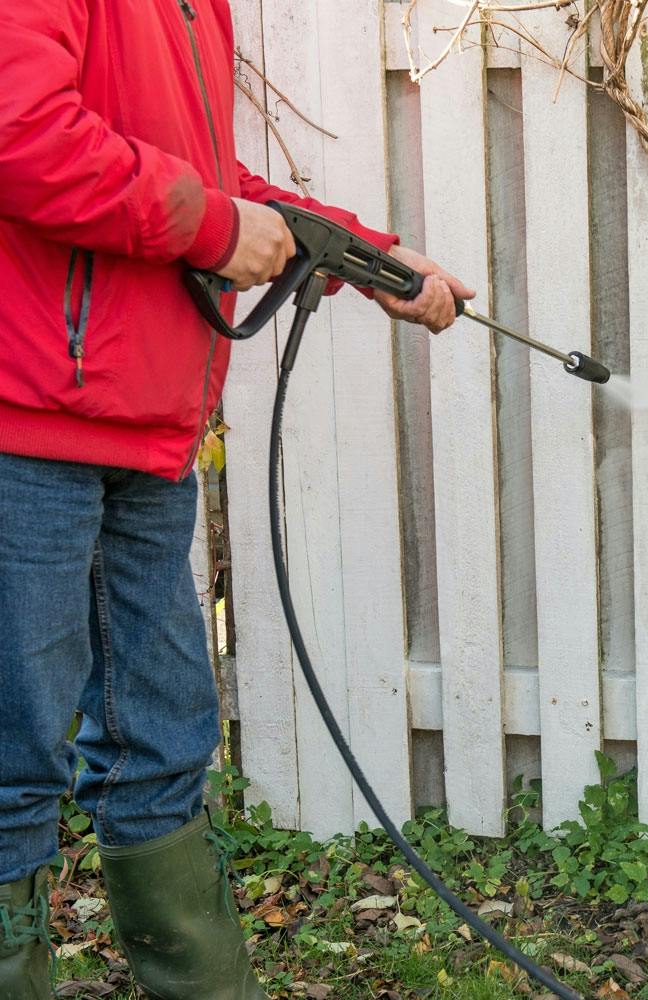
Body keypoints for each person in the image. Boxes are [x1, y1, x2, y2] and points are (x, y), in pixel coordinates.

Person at [0, 3, 475, 997]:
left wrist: (366, 255)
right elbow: (21, 134)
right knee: (12, 770)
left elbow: (210, 184)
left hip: (143, 430)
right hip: (24, 426)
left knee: (162, 747)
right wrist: (216, 226)